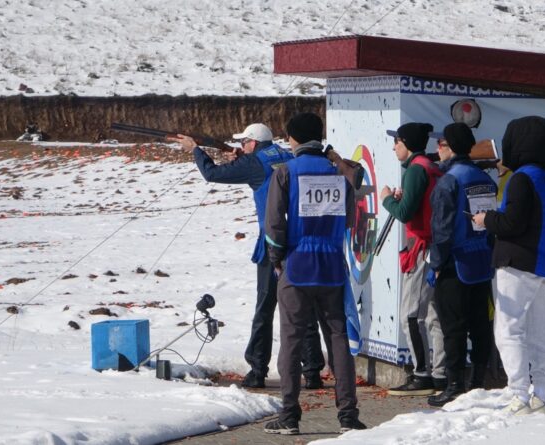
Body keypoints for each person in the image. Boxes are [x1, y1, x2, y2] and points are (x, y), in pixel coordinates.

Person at [167, 124, 326, 390]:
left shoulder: (254, 163)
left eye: (244, 143)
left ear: (253, 142)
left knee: (265, 308)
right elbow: (263, 168)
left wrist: (195, 150)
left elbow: (212, 173)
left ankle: (257, 370)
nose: (241, 147)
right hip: (300, 241)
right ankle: (312, 372)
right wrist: (244, 160)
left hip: (272, 244)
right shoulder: (288, 155)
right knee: (304, 307)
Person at [263, 112, 366, 435]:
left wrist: (277, 257)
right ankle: (348, 414)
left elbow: (274, 223)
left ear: (293, 139)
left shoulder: (286, 172)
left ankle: (290, 415)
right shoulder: (338, 172)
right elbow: (350, 218)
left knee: (292, 341)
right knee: (337, 338)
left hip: (298, 265)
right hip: (333, 265)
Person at [473, 115, 545, 415]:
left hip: (516, 263)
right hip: (544, 265)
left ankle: (518, 396)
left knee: (508, 330)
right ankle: (540, 395)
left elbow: (512, 223)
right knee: (541, 333)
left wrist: (486, 219)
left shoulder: (521, 178)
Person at [427, 123, 496, 407]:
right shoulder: (485, 178)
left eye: (440, 145)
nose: (436, 150)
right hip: (482, 261)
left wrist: (437, 264)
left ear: (450, 147)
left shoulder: (449, 181)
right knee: (481, 324)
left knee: (453, 327)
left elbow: (442, 229)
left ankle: (454, 385)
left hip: (455, 262)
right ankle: (478, 382)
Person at [380, 122, 447, 396]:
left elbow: (406, 213)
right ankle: (440, 373)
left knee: (411, 315)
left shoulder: (416, 169)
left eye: (397, 141)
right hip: (433, 247)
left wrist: (387, 200)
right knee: (433, 315)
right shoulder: (428, 166)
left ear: (406, 143)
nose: (394, 146)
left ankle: (421, 373)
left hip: (421, 249)